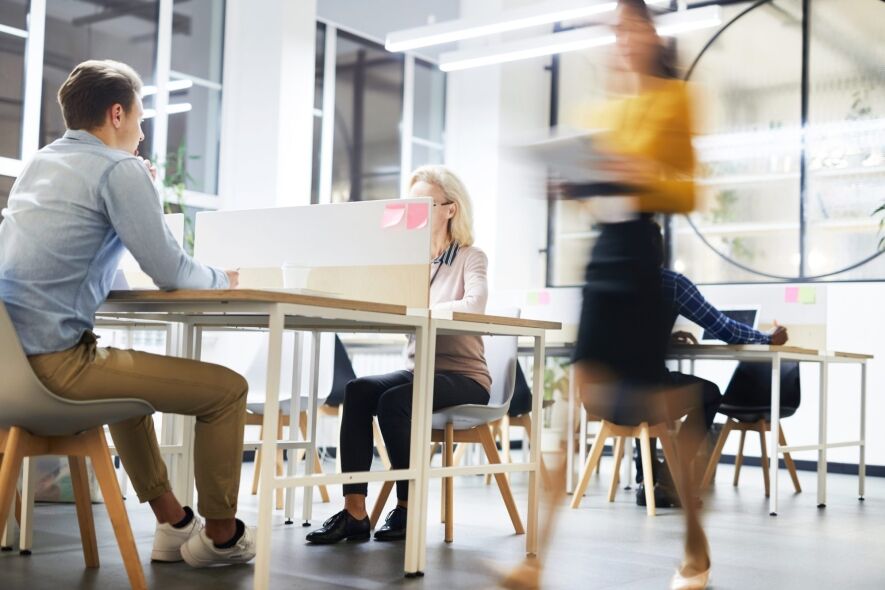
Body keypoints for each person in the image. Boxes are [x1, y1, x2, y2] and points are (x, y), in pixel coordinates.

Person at [0, 60, 255, 567]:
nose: (141, 132)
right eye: (140, 118)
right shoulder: (119, 169)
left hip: (9, 372)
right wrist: (221, 279)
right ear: (116, 114)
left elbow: (71, 254)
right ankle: (222, 539)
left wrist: (138, 190)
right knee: (229, 391)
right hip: (56, 370)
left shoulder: (40, 164)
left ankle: (174, 523)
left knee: (128, 388)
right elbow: (170, 270)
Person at [306, 165, 491, 545]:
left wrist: (419, 310)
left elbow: (475, 305)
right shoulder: (412, 263)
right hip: (418, 371)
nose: (414, 214)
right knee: (358, 391)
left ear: (450, 209)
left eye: (422, 204)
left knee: (394, 402)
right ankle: (354, 512)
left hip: (465, 378)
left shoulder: (471, 257)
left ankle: (407, 509)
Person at [634, 228, 790, 507]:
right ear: (660, 252)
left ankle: (644, 478)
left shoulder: (604, 287)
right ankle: (668, 482)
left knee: (635, 385)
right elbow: (723, 328)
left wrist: (661, 337)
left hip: (602, 398)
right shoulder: (671, 284)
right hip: (647, 394)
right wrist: (766, 338)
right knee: (706, 393)